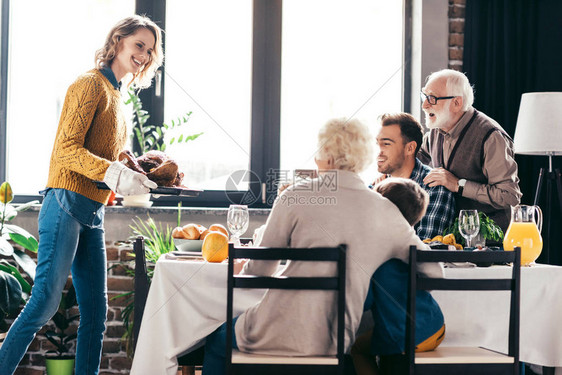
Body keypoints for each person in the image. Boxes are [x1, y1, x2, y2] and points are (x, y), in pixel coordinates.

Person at [201, 118, 442, 375]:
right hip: (334, 342)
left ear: (325, 157)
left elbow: (258, 271)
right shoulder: (386, 210)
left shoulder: (293, 195)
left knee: (215, 341)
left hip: (272, 331)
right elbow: (435, 272)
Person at [0, 15, 163, 375]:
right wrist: (114, 172)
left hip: (93, 209)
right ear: (118, 41)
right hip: (65, 203)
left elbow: (106, 153)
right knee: (44, 303)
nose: (144, 55)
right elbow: (66, 151)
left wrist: (132, 171)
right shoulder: (89, 85)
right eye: (139, 45)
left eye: (150, 51)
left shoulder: (117, 97)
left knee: (96, 314)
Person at [351, 177, 445, 375]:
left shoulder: (376, 254)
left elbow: (364, 302)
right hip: (436, 326)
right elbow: (435, 274)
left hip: (403, 338)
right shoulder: (409, 245)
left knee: (357, 349)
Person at [418, 69, 522, 232]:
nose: (424, 105)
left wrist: (458, 184)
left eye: (432, 98)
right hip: (452, 236)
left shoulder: (491, 137)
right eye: (424, 96)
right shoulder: (436, 130)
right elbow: (416, 159)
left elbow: (509, 197)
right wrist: (390, 173)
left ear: (457, 103)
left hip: (490, 242)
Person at [373, 113, 456, 240]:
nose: (378, 152)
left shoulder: (434, 188)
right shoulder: (376, 188)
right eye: (377, 143)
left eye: (386, 144)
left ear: (410, 148)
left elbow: (423, 250)